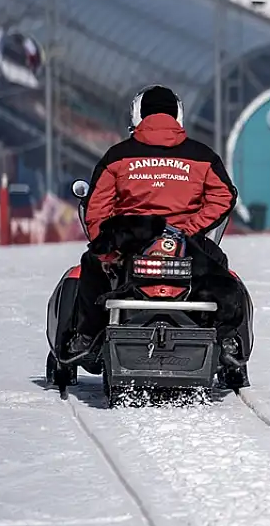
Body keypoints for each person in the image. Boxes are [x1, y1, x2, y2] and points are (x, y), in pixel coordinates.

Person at [66, 85, 246, 364]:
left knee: (91, 265)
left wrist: (108, 247)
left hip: (130, 247)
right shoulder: (202, 156)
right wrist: (189, 229)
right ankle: (228, 339)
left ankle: (86, 336)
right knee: (219, 265)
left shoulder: (117, 156)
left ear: (137, 115)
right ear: (178, 116)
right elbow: (224, 196)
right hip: (186, 247)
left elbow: (96, 207)